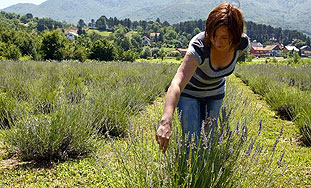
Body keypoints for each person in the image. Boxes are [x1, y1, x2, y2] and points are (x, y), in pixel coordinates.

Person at [156, 3, 249, 154]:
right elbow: (177, 83)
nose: (217, 42)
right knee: (192, 142)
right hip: (189, 94)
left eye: (224, 37)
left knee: (209, 142)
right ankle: (188, 174)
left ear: (236, 35)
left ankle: (204, 173)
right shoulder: (199, 46)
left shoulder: (242, 44)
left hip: (215, 95)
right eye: (214, 35)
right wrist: (165, 121)